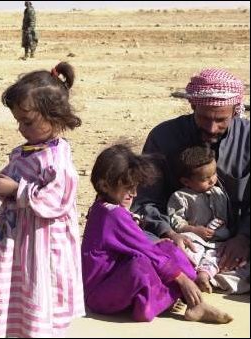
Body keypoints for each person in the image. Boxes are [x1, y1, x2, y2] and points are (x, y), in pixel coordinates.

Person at [0, 62, 85, 337]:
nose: (21, 128)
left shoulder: (57, 160)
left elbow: (56, 200)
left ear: (54, 117)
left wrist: (15, 191)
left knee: (40, 303)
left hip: (42, 249)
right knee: (17, 302)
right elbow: (14, 179)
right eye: (18, 121)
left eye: (27, 122)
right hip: (20, 245)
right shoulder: (27, 151)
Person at [82, 144, 233, 324]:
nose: (134, 193)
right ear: (105, 185)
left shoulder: (104, 205)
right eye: (128, 188)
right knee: (141, 266)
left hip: (114, 280)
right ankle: (161, 303)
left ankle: (189, 302)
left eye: (135, 187)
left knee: (168, 247)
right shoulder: (112, 214)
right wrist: (182, 280)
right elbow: (146, 251)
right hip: (99, 295)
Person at [132, 68, 249, 276]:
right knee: (134, 247)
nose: (212, 128)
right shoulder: (163, 137)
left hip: (238, 238)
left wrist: (243, 238)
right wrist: (168, 233)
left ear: (235, 110)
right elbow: (145, 201)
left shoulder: (247, 137)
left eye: (221, 120)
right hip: (182, 237)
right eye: (204, 118)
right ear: (193, 105)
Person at [167, 146, 230, 293]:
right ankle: (189, 276)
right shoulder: (181, 197)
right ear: (186, 181)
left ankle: (204, 275)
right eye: (205, 178)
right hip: (194, 238)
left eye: (214, 174)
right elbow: (176, 222)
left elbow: (225, 217)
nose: (212, 180)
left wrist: (220, 226)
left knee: (218, 257)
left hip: (217, 240)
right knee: (189, 251)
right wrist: (193, 229)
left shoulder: (219, 193)